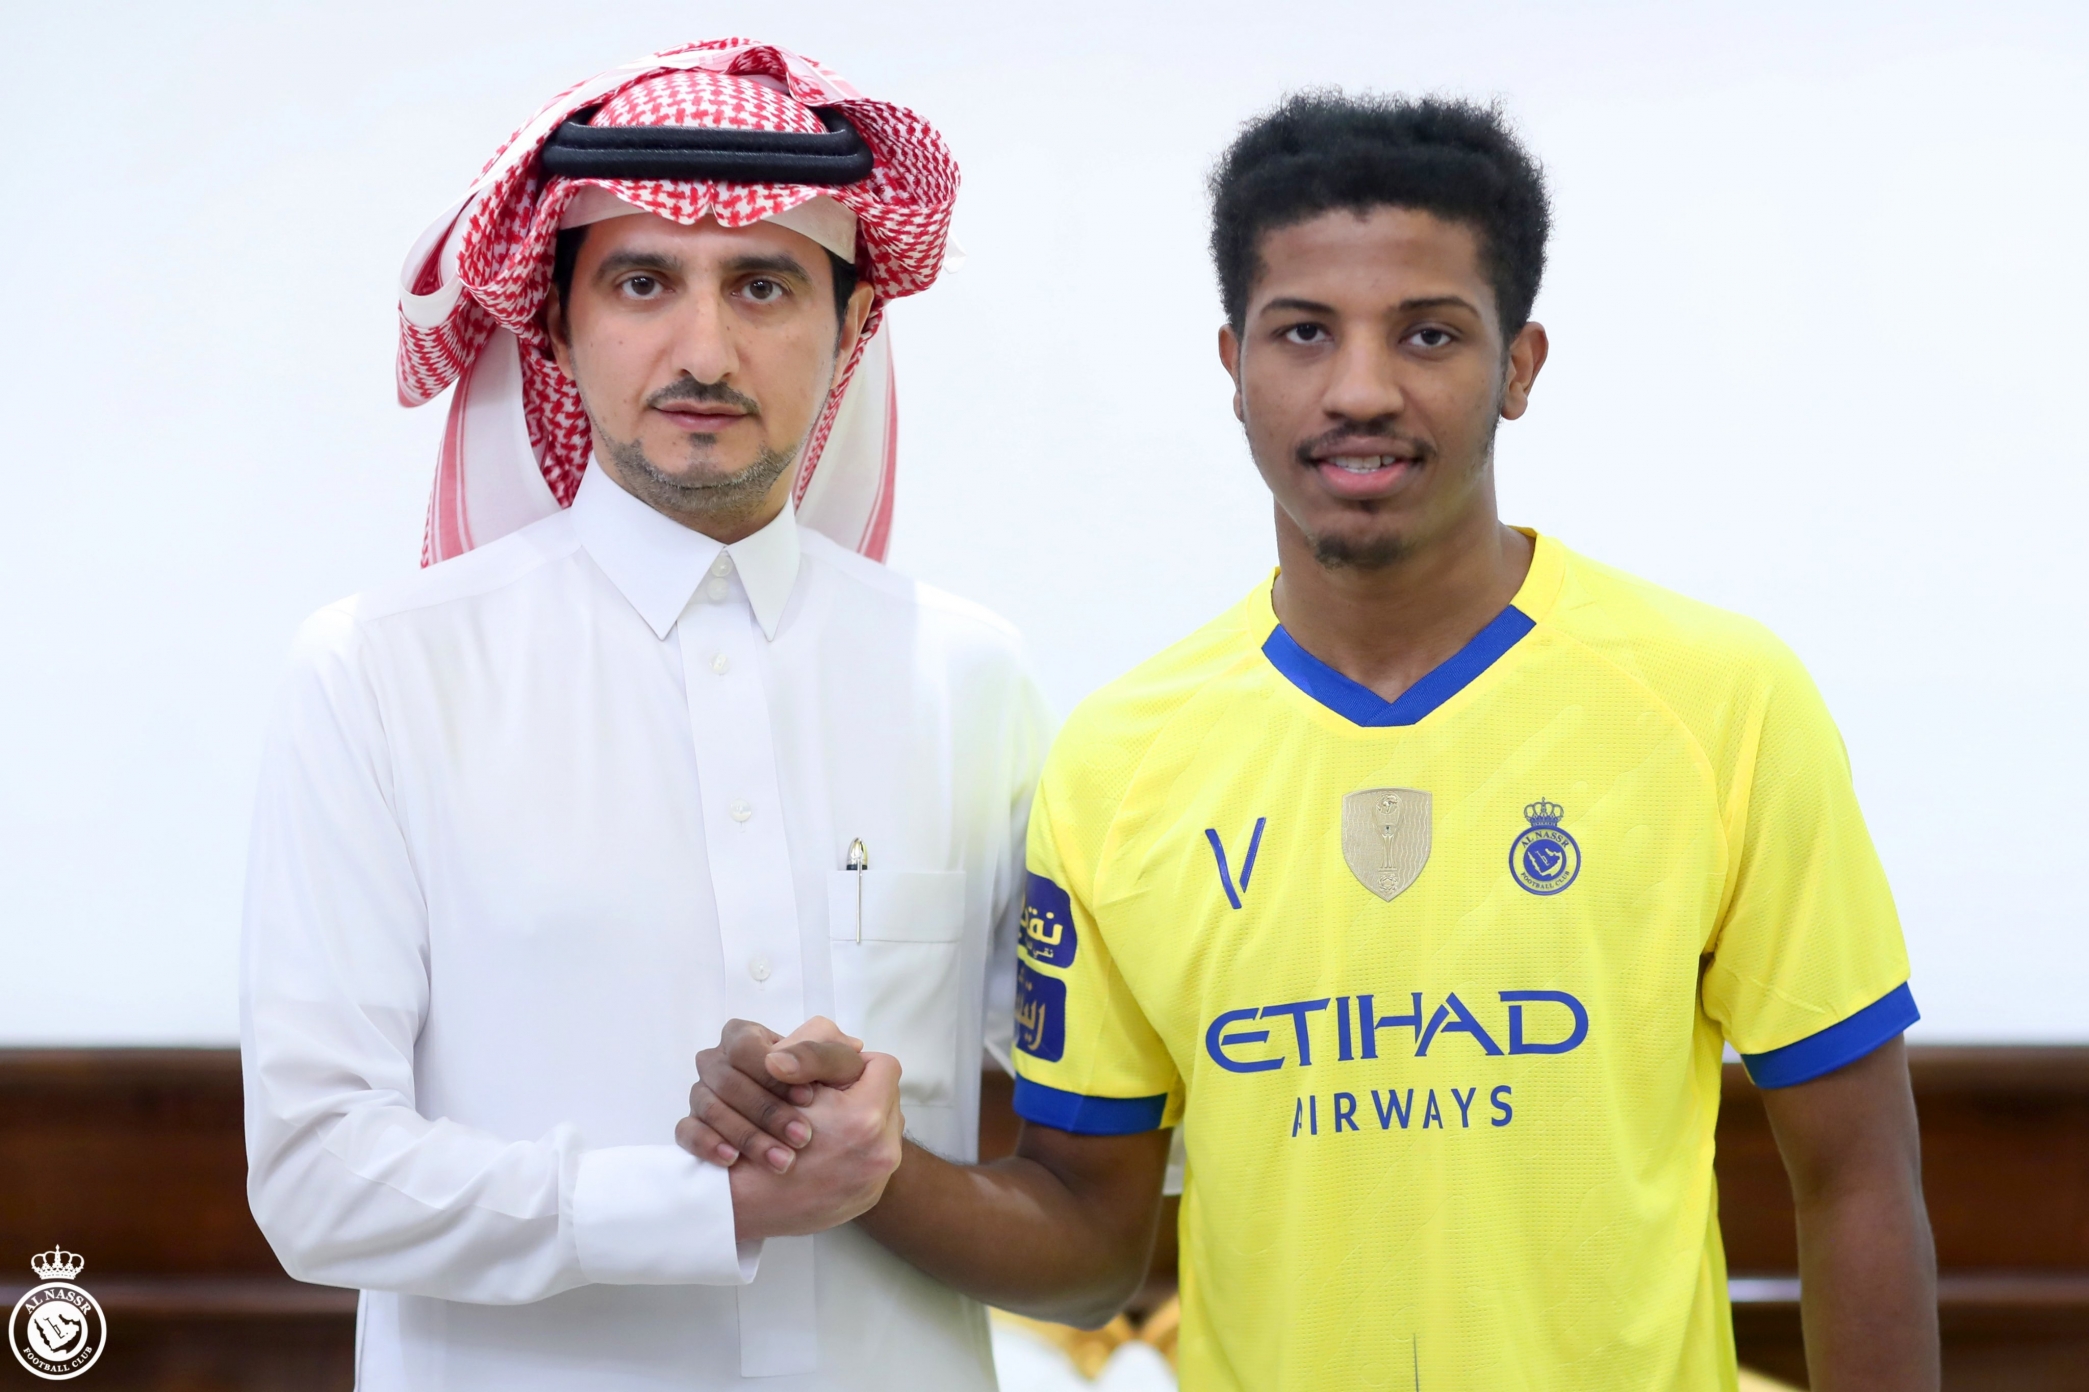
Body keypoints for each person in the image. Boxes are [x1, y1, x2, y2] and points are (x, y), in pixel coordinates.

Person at [686, 94, 1940, 1390]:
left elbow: (1856, 1180)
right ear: (1235, 366)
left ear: (1519, 366)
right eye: (1303, 333)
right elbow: (1089, 1250)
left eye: (1429, 334)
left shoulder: (1719, 702)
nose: (1360, 389)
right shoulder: (1120, 762)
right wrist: (868, 1165)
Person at [241, 39, 1048, 1391]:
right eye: (641, 283)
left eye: (764, 285)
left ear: (851, 323)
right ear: (556, 325)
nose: (704, 351)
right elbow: (318, 1182)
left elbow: (1100, 1106)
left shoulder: (967, 677)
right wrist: (701, 1207)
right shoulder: (381, 676)